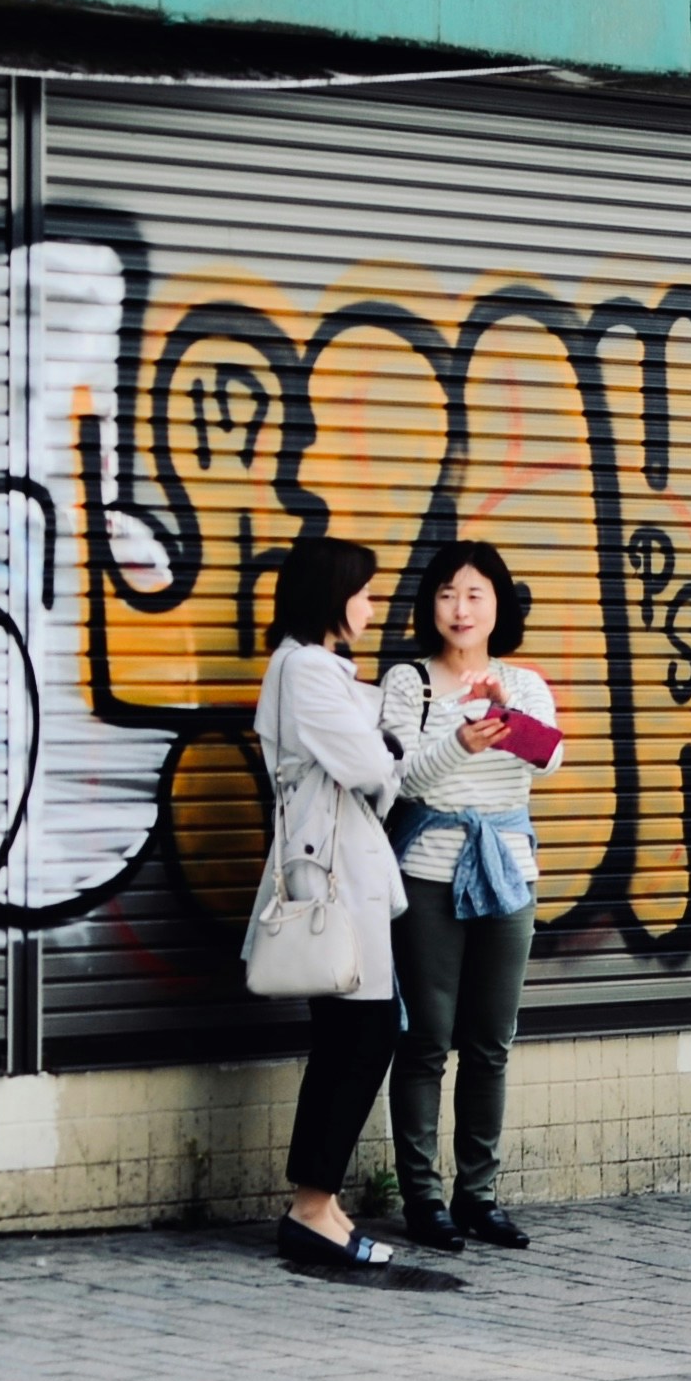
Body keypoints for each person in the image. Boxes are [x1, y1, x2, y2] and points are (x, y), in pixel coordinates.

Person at [378, 539, 562, 1254]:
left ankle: (479, 1197)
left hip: (509, 875)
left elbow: (551, 757)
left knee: (491, 1044)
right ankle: (423, 1199)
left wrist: (505, 716)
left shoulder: (523, 682)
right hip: (425, 873)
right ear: (430, 605)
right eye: (448, 593)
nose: (460, 608)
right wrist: (461, 739)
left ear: (498, 606)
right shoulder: (408, 683)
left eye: (476, 594)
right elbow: (401, 778)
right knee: (424, 1041)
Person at [257, 533, 409, 1274]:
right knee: (363, 1035)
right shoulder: (309, 669)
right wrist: (386, 750)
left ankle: (320, 1203)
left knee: (352, 1038)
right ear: (332, 595)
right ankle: (312, 1207)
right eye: (364, 592)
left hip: (341, 873)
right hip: (334, 879)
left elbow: (376, 759)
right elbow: (370, 765)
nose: (372, 607)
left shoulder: (311, 668)